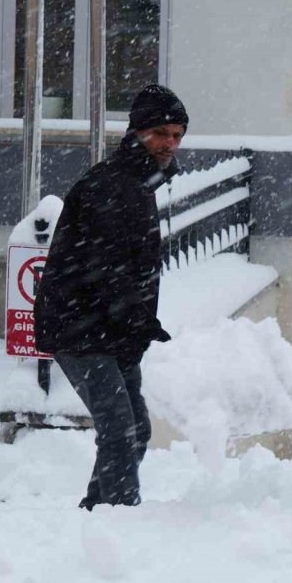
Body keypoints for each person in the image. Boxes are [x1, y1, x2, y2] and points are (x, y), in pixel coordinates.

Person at [33, 84, 188, 510]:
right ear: (138, 132)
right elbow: (105, 268)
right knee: (120, 431)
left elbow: (128, 266)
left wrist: (136, 324)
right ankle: (119, 519)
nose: (170, 144)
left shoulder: (138, 182)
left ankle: (98, 515)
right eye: (161, 133)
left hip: (111, 328)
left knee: (135, 429)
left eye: (177, 135)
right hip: (79, 327)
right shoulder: (112, 185)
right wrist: (139, 321)